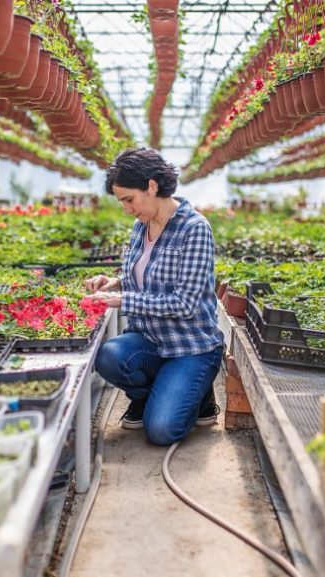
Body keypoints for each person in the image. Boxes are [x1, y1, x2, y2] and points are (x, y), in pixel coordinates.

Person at [86, 148, 225, 446]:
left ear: (152, 186)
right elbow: (147, 275)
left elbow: (185, 304)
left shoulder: (194, 228)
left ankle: (199, 394)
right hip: (150, 341)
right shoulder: (141, 226)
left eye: (128, 199)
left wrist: (125, 301)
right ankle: (152, 394)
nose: (126, 209)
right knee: (109, 356)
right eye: (121, 201)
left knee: (162, 431)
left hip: (190, 346)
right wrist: (114, 283)